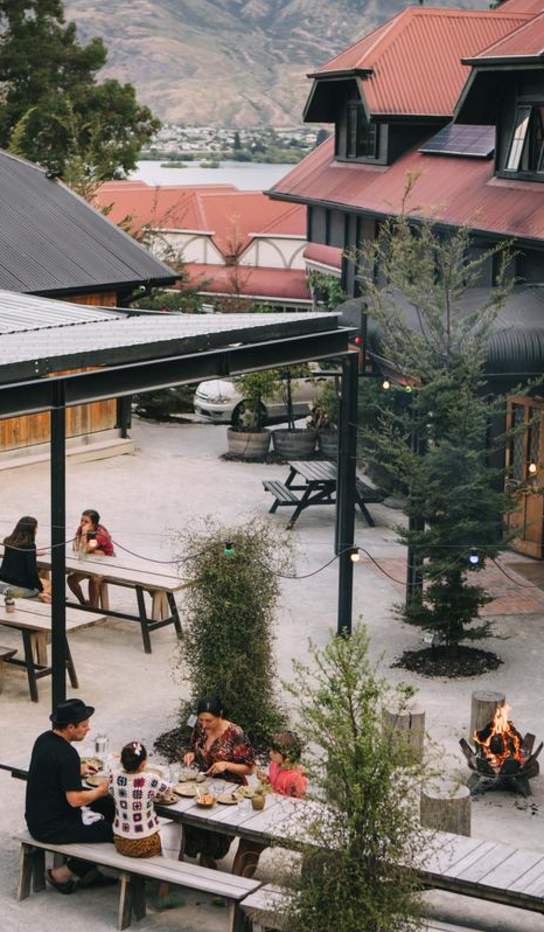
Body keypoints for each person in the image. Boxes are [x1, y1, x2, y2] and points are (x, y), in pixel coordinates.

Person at [25, 698, 116, 894]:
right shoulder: (67, 754)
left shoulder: (44, 739)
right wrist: (100, 791)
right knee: (114, 831)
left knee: (107, 807)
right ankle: (62, 873)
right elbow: (74, 800)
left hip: (37, 816)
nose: (88, 729)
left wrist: (78, 770)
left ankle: (89, 873)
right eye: (83, 726)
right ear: (69, 727)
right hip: (52, 827)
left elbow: (53, 769)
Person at [182, 696, 255, 869]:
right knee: (187, 814)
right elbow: (193, 747)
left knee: (215, 825)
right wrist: (191, 754)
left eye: (209, 720)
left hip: (230, 786)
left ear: (220, 715)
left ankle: (208, 855)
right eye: (201, 720)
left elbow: (249, 768)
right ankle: (198, 855)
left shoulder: (235, 733)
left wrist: (226, 765)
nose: (205, 724)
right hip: (204, 782)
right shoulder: (199, 727)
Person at [109, 741, 183, 860]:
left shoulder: (113, 776)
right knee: (177, 827)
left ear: (121, 761)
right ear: (143, 764)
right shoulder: (149, 779)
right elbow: (168, 789)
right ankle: (173, 866)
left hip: (120, 842)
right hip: (145, 845)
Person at [67, 509, 114, 607]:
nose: (82, 524)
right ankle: (83, 602)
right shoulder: (81, 529)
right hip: (89, 561)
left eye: (86, 522)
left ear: (94, 524)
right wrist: (92, 551)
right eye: (81, 521)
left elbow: (83, 550)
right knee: (71, 580)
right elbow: (76, 549)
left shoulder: (101, 534)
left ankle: (93, 608)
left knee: (94, 580)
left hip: (105, 563)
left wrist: (84, 535)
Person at [0, 516, 51, 602]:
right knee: (50, 585)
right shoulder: (29, 546)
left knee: (42, 575)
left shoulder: (8, 541)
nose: (36, 530)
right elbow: (32, 572)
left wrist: (33, 553)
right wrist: (40, 589)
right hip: (15, 591)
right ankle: (44, 602)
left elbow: (16, 555)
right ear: (31, 530)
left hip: (2, 585)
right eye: (36, 528)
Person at [257, 731, 307, 798]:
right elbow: (274, 782)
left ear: (287, 758)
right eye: (271, 749)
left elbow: (300, 800)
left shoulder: (296, 778)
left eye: (274, 752)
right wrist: (266, 780)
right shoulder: (273, 765)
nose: (270, 753)